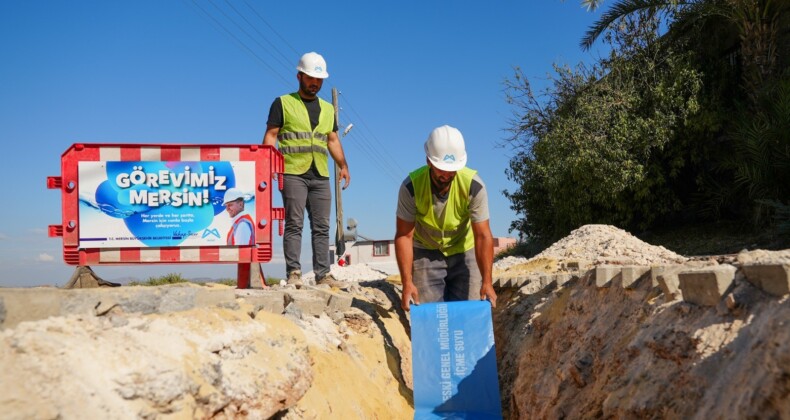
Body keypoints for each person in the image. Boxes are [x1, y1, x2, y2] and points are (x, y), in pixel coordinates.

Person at [263, 52, 350, 288]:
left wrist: (343, 165)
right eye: (311, 78)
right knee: (295, 223)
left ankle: (323, 275)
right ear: (299, 76)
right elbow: (271, 136)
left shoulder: (328, 108)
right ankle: (294, 273)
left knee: (322, 226)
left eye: (319, 80)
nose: (315, 83)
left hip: (320, 174)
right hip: (292, 171)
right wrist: (267, 163)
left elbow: (332, 139)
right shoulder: (283, 103)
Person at [395, 125, 497, 311]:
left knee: (470, 312)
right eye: (442, 169)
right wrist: (407, 282)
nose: (447, 175)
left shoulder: (474, 186)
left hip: (464, 250)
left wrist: (487, 281)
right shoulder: (411, 188)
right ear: (428, 160)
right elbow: (404, 236)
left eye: (452, 170)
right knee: (432, 316)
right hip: (426, 251)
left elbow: (483, 235)